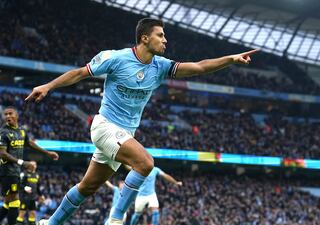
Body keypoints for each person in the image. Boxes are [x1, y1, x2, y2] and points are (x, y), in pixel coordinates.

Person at [25, 18, 258, 225]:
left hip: (124, 134)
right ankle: (115, 219)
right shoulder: (115, 58)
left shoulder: (161, 66)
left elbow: (198, 67)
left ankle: (50, 222)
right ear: (145, 38)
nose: (165, 40)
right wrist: (48, 86)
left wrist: (231, 59)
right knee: (146, 163)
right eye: (161, 35)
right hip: (105, 126)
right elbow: (79, 73)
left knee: (88, 187)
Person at [0, 106, 59, 225]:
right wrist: (22, 162)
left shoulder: (21, 130)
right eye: (5, 114)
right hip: (7, 172)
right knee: (15, 202)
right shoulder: (3, 132)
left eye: (10, 113)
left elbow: (30, 143)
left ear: (17, 115)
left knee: (8, 204)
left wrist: (47, 153)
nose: (8, 116)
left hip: (14, 171)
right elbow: (3, 154)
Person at [16, 161, 40, 225]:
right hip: (24, 197)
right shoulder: (24, 174)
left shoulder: (37, 175)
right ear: (29, 166)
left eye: (35, 164)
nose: (34, 166)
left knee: (33, 213)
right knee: (22, 213)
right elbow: (18, 184)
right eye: (32, 164)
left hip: (33, 198)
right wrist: (24, 188)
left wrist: (41, 195)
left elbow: (38, 187)